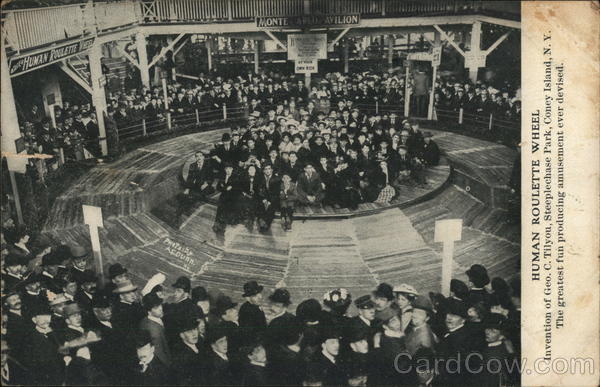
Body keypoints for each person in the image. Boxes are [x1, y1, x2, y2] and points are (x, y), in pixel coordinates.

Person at [170, 317, 207, 386]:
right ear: (182, 335)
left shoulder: (200, 345)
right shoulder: (180, 356)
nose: (194, 334)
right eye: (189, 331)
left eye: (195, 329)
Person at [139, 293, 171, 367]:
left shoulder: (151, 319)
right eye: (156, 307)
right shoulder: (153, 330)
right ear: (149, 311)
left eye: (160, 305)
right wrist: (168, 365)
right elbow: (159, 353)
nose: (160, 308)